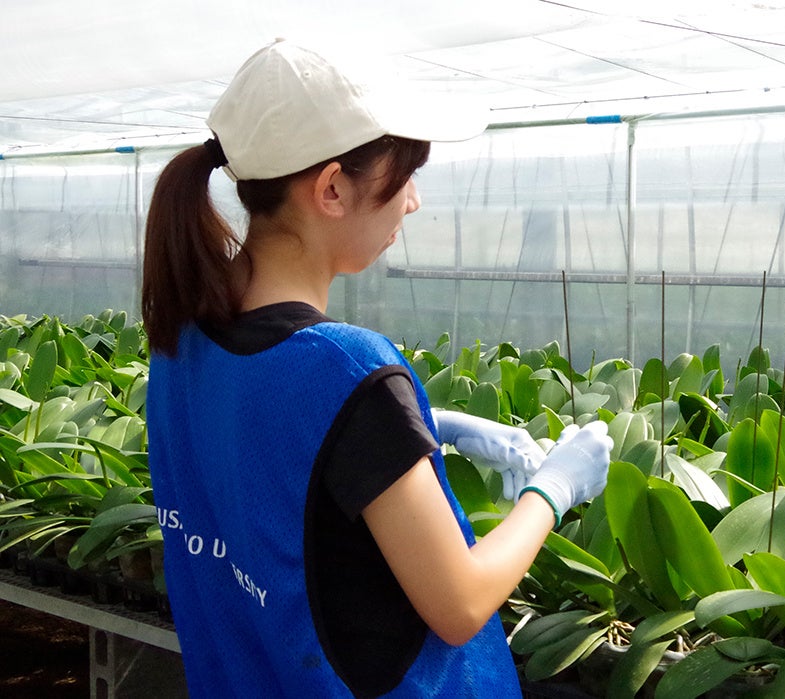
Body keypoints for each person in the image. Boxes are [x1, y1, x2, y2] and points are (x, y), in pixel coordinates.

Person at [140, 40, 612, 698]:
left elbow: (267, 437)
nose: (412, 202)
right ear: (331, 188)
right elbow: (460, 602)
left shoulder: (181, 335)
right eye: (403, 176)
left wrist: (423, 426)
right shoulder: (345, 366)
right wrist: (553, 489)